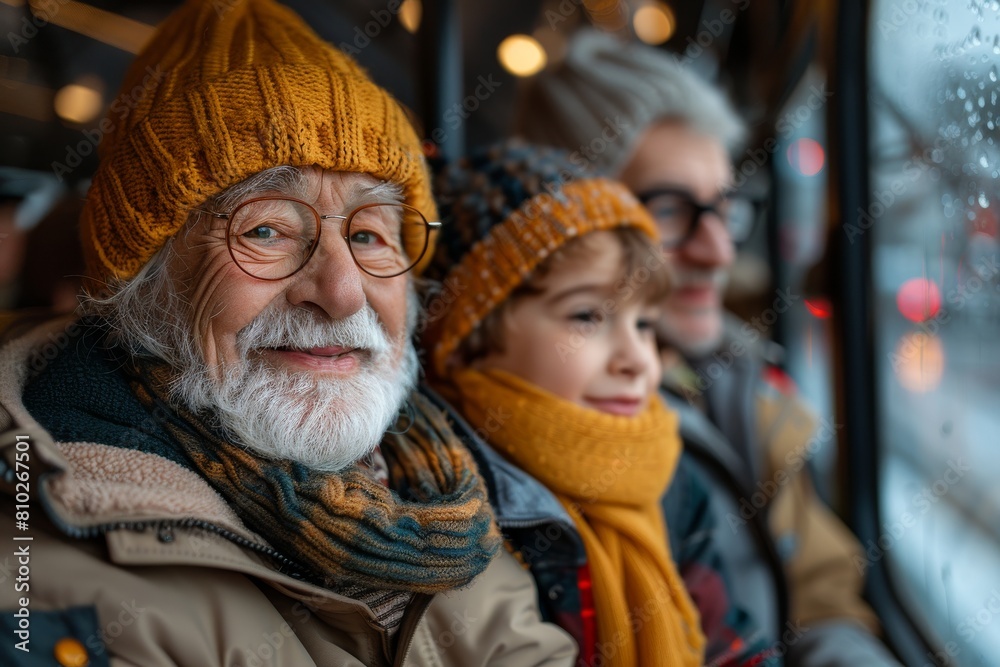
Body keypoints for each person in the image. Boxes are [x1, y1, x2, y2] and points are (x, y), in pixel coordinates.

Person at [0, 2, 578, 665]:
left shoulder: (456, 499)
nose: (340, 292)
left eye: (368, 234)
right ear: (142, 277)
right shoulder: (48, 583)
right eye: (266, 229)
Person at [515, 28, 901, 665]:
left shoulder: (740, 381)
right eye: (669, 210)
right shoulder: (547, 421)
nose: (718, 250)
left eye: (725, 208)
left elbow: (823, 597)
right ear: (567, 230)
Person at [419, 139, 779, 667]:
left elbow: (735, 650)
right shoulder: (447, 499)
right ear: (470, 336)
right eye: (587, 316)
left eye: (645, 324)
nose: (638, 361)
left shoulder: (671, 481)